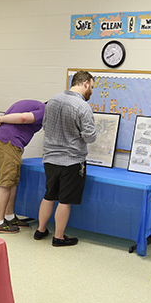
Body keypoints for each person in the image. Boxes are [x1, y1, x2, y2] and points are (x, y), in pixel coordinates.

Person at [34, 71, 97, 247]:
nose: (91, 91)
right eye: (91, 87)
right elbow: (90, 137)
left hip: (49, 158)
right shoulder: (83, 106)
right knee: (65, 200)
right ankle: (59, 237)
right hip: (71, 161)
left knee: (49, 195)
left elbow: (45, 125)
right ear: (85, 83)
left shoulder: (52, 100)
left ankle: (40, 230)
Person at [0, 100, 46, 234]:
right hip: (9, 142)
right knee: (6, 182)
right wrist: (0, 119)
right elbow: (23, 118)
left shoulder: (34, 104)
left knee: (12, 181)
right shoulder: (44, 110)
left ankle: (9, 217)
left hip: (5, 140)